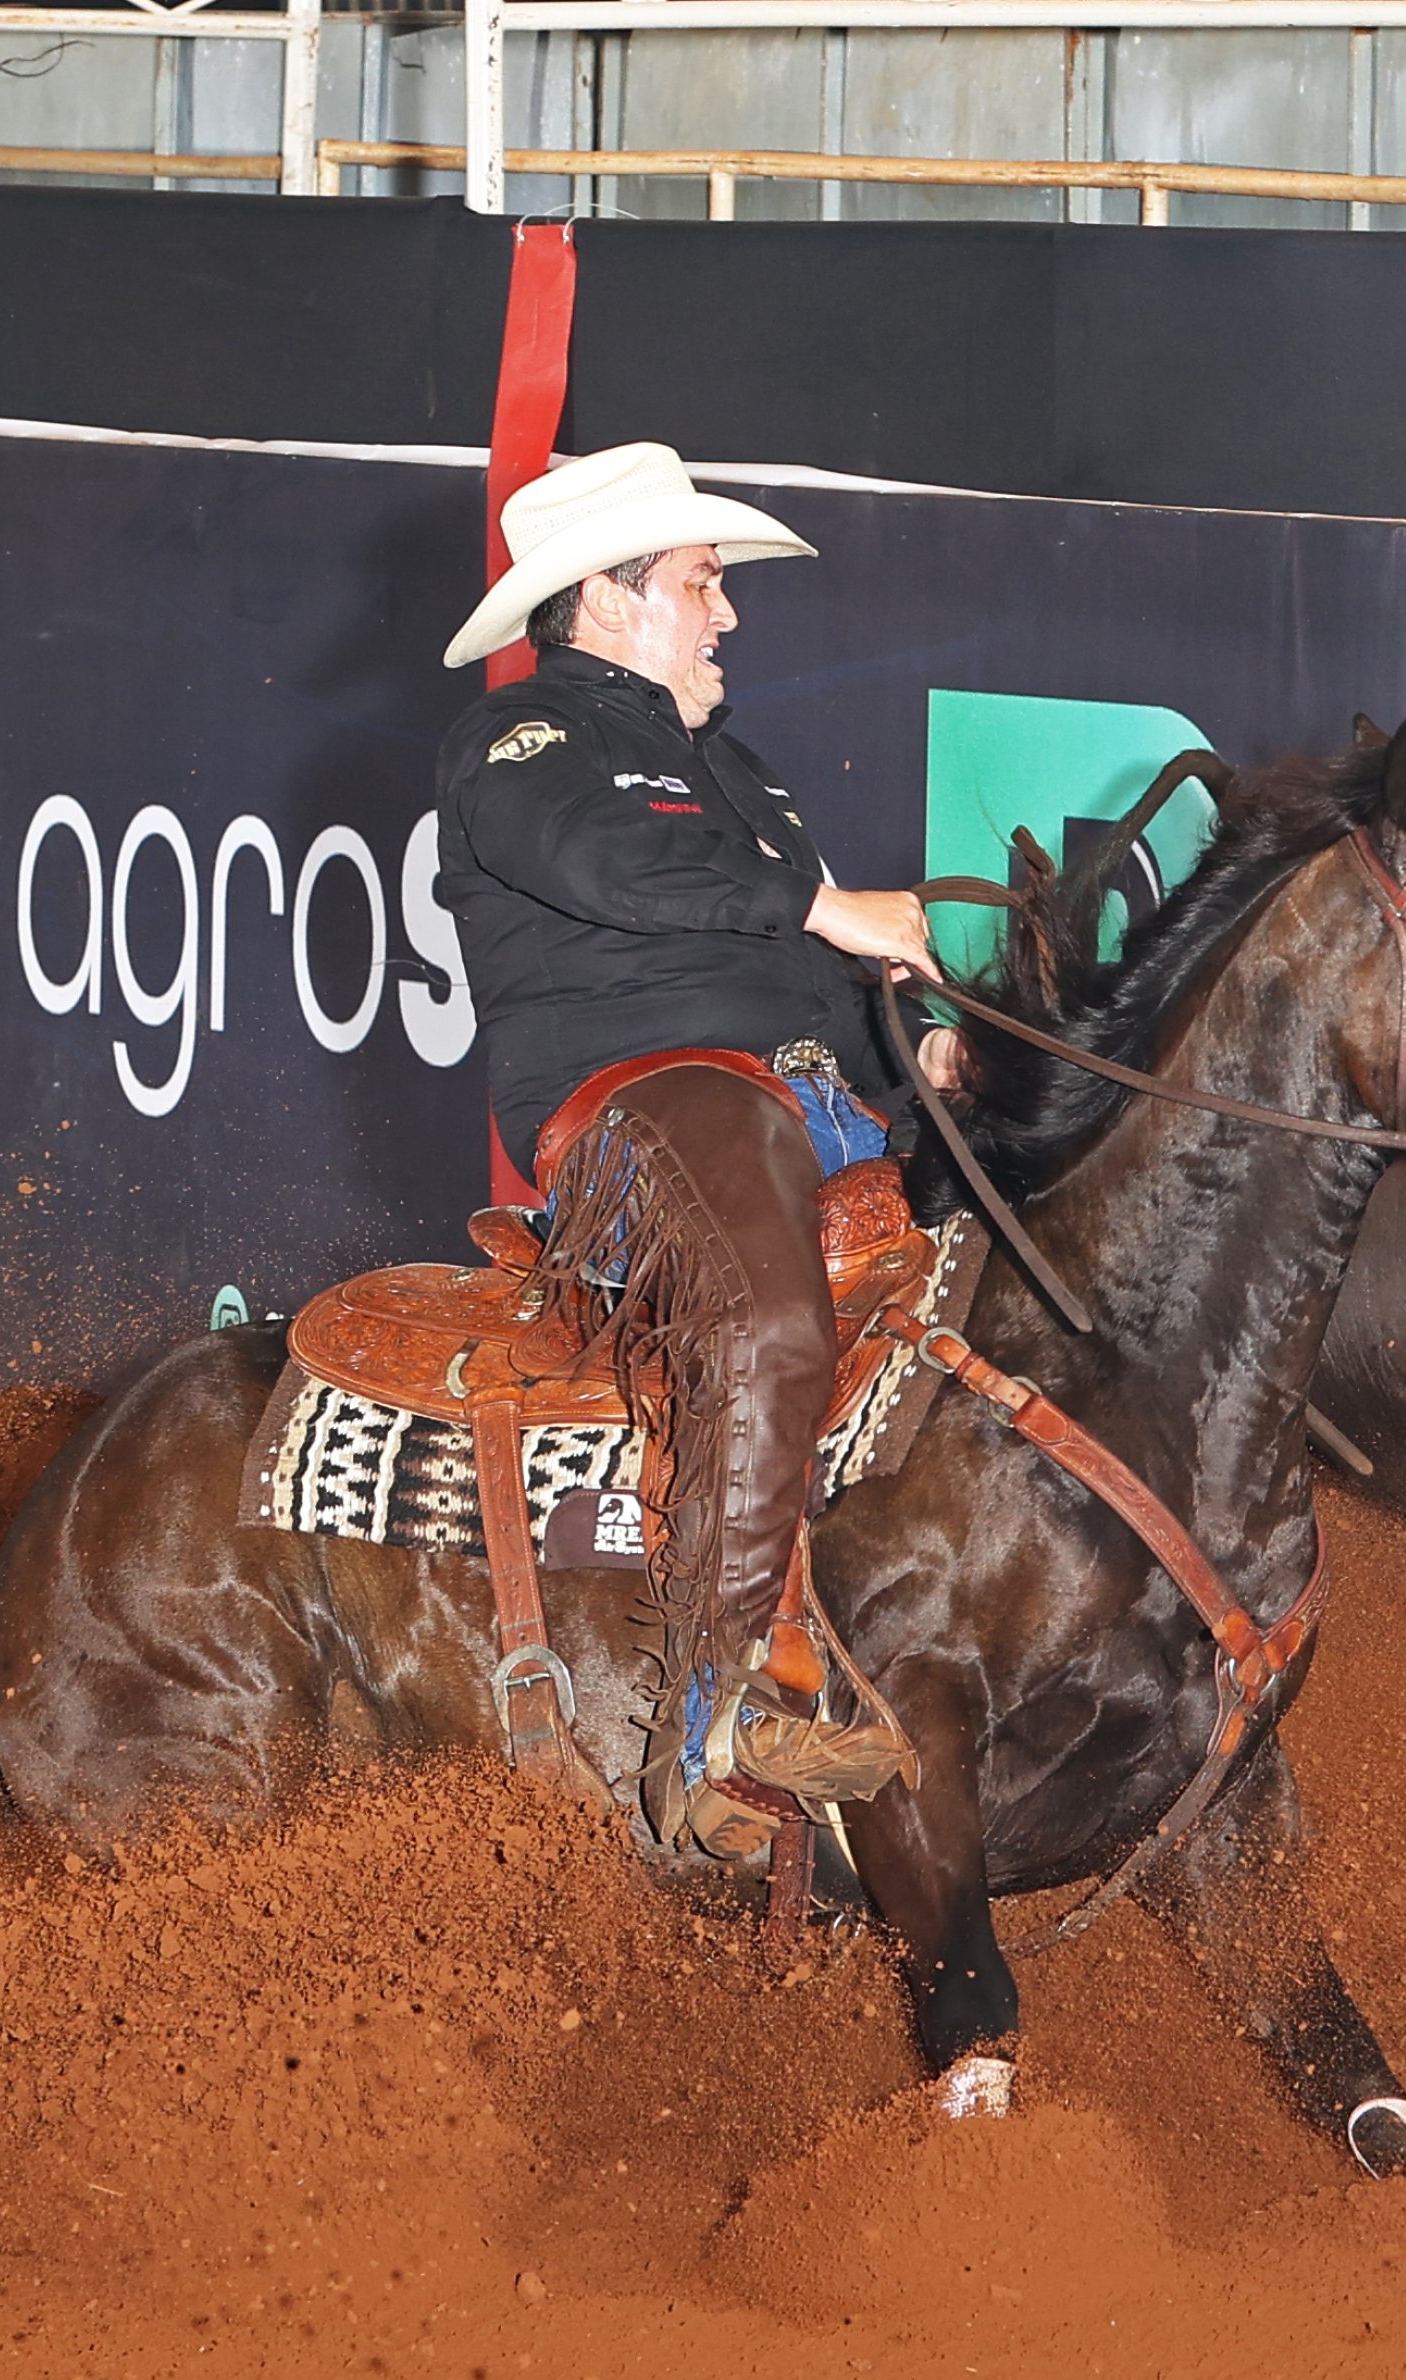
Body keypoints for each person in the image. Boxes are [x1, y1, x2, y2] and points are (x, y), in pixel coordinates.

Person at [434, 443, 939, 1858]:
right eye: (703, 584)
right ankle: (713, 1718)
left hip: (806, 1102)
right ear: (607, 598)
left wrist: (922, 1045)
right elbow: (617, 871)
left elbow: (804, 967)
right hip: (640, 1099)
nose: (727, 615)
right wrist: (829, 906)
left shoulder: (743, 774)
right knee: (773, 1326)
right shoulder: (522, 744)